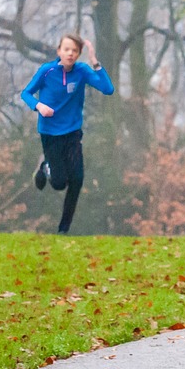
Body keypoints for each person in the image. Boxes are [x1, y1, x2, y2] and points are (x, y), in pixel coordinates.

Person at [20, 34, 115, 235]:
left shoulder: (82, 71)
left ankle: (63, 229)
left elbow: (108, 89)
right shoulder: (47, 71)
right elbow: (26, 93)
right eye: (66, 49)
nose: (70, 54)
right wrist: (38, 106)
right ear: (59, 51)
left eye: (74, 51)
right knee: (59, 183)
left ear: (79, 54)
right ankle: (45, 165)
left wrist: (95, 63)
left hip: (72, 133)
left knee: (77, 180)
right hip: (50, 133)